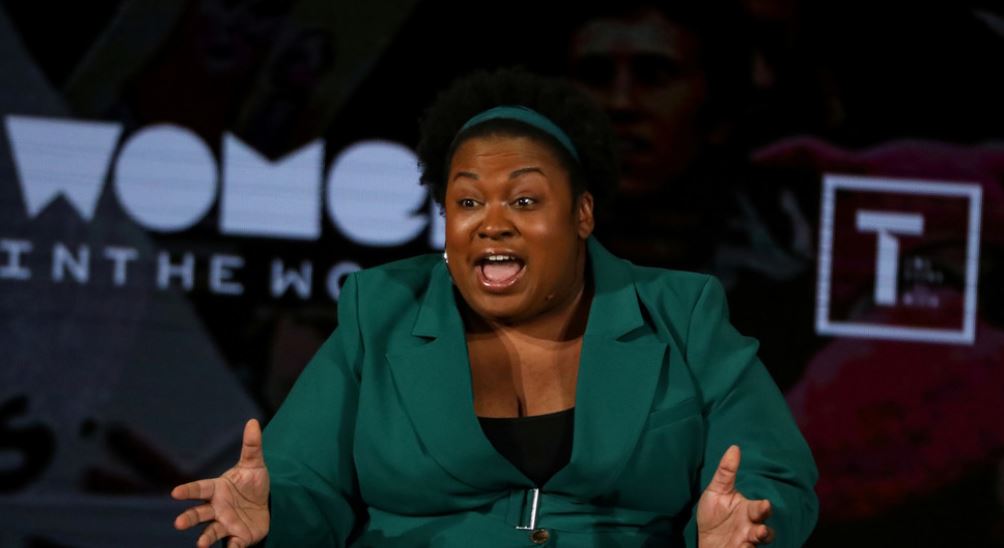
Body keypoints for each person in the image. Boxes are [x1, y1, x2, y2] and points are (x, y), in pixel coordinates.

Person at [170, 68, 817, 547]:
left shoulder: (681, 313)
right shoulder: (382, 312)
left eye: (525, 201)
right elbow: (305, 484)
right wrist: (272, 516)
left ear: (583, 213)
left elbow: (771, 477)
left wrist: (746, 527)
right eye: (468, 201)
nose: (492, 222)